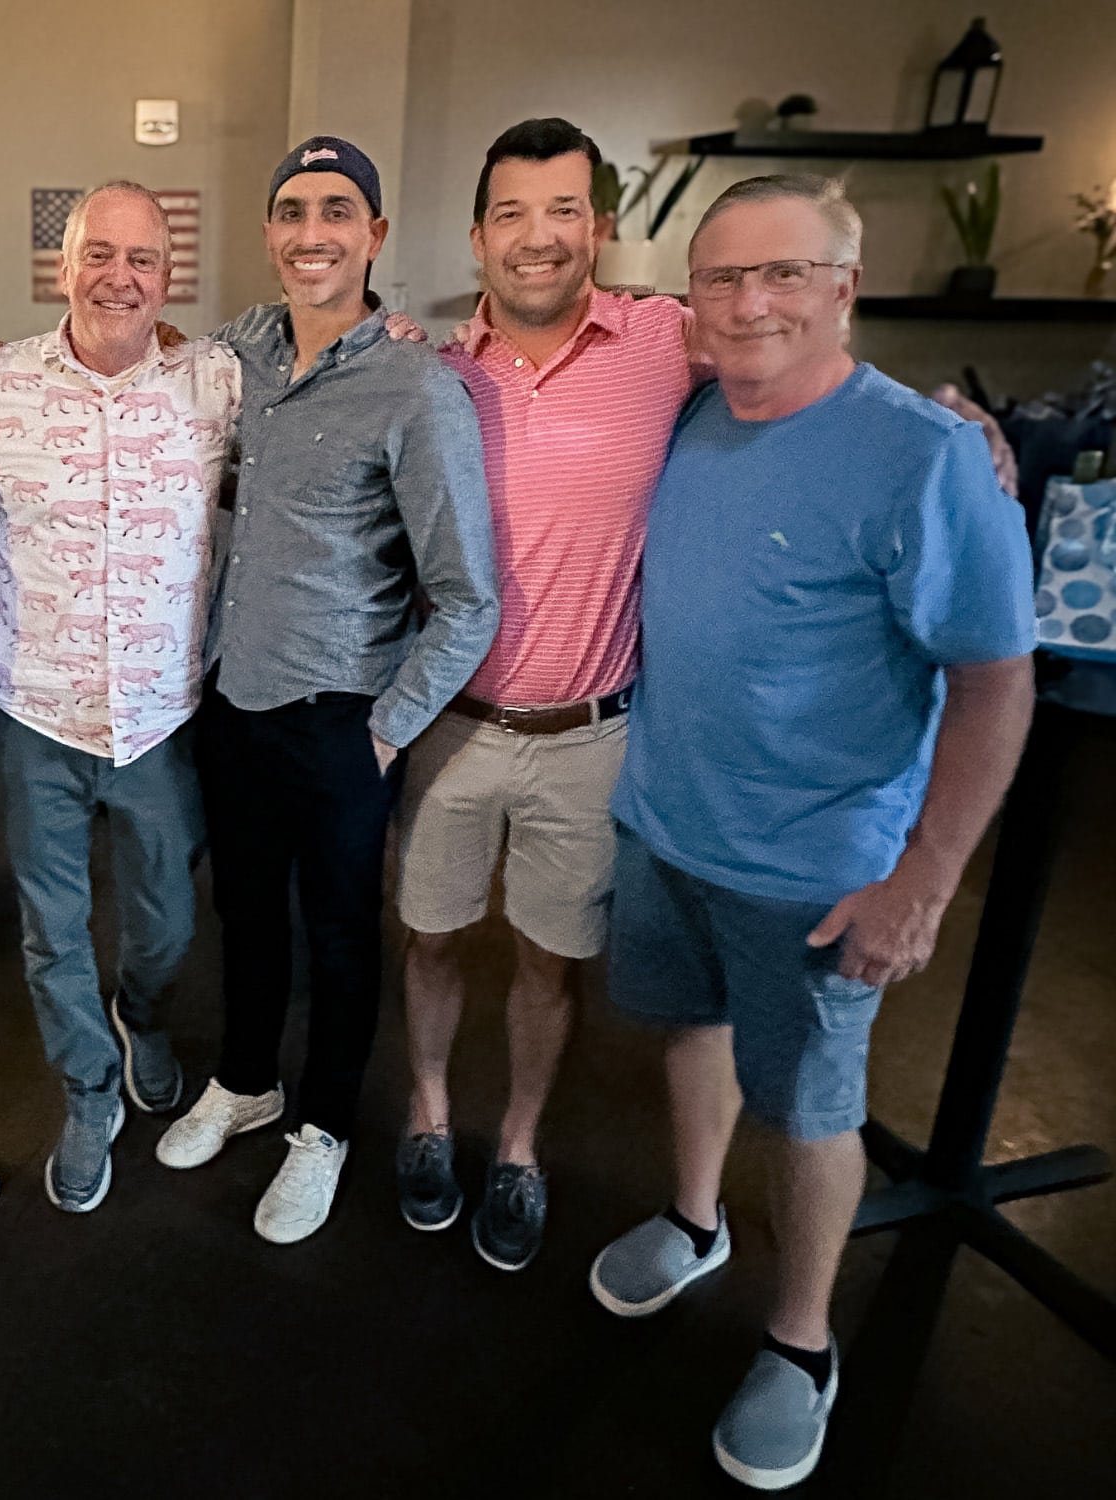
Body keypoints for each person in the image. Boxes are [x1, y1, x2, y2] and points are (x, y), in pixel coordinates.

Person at [588, 174, 1035, 1490]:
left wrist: (925, 880)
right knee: (693, 1032)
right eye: (723, 277)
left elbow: (996, 679)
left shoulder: (926, 454)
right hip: (668, 819)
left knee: (813, 1108)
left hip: (820, 869)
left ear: (845, 286)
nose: (751, 301)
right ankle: (693, 1219)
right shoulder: (689, 415)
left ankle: (799, 1342)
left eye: (784, 274)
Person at [154, 137, 498, 1245]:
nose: (312, 234)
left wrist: (388, 732)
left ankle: (324, 1129)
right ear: (268, 232)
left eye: (336, 212)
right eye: (293, 211)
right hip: (232, 701)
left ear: (375, 237)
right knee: (245, 916)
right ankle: (246, 1079)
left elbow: (466, 596)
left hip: (343, 719)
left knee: (340, 936)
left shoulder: (414, 385)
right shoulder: (230, 358)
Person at [392, 119, 693, 1268]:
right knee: (425, 941)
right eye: (510, 214)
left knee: (545, 958)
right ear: (475, 237)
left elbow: (791, 354)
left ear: (598, 226)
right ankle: (426, 1117)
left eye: (561, 210)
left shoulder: (662, 343)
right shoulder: (426, 371)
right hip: (447, 726)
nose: (536, 238)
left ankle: (515, 1144)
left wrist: (949, 423)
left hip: (587, 735)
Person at [0, 182, 241, 1212]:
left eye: (140, 260)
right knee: (51, 926)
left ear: (167, 280)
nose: (117, 277)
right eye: (97, 254)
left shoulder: (216, 382)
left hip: (164, 715)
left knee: (167, 919)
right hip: (34, 710)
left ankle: (145, 1014)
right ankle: (85, 1089)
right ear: (62, 265)